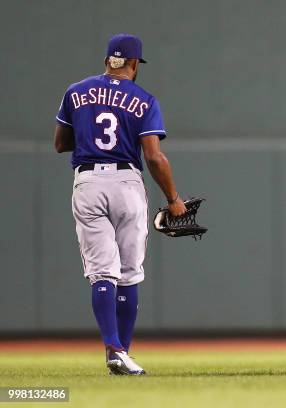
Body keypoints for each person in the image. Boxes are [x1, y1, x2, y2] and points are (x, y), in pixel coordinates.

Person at [54, 33, 187, 375]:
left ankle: (115, 351)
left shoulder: (76, 91)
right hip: (126, 181)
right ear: (133, 64)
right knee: (128, 274)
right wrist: (173, 200)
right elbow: (154, 157)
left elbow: (60, 143)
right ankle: (120, 352)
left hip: (87, 181)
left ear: (106, 61)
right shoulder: (144, 99)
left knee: (102, 271)